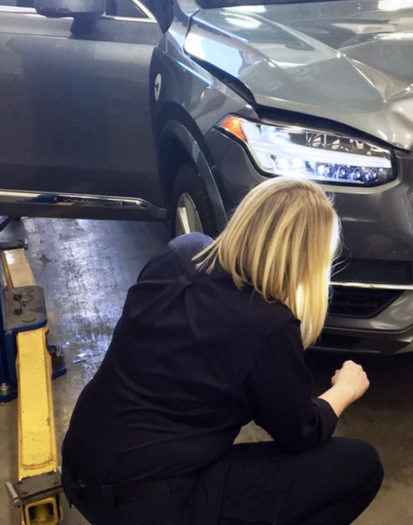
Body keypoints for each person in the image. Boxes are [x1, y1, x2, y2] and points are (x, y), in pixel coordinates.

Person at [61, 178, 383, 525]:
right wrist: (344, 390)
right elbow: (301, 433)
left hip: (82, 467)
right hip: (148, 504)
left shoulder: (181, 252)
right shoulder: (268, 323)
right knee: (361, 466)